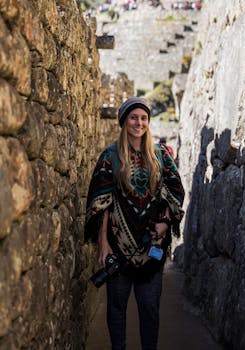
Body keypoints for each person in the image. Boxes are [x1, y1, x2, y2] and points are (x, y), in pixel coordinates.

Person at [85, 97, 185, 350]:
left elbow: (176, 190)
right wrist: (103, 242)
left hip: (153, 244)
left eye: (143, 118)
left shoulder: (160, 155)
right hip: (119, 248)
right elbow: (101, 200)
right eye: (133, 117)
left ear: (148, 122)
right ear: (124, 121)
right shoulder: (110, 156)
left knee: (149, 306)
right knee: (117, 308)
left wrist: (165, 222)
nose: (138, 122)